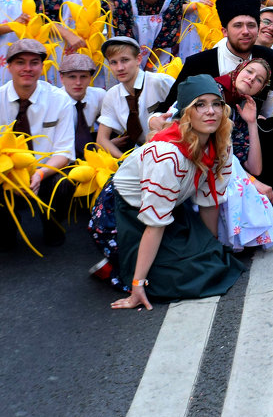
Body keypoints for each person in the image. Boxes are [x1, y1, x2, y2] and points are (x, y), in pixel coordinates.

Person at [91, 75, 246, 308]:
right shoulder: (166, 155)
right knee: (174, 278)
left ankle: (128, 260)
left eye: (216, 104)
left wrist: (209, 245)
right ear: (186, 113)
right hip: (125, 212)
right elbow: (155, 223)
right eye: (200, 105)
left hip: (170, 205)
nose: (211, 111)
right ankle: (118, 264)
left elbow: (209, 201)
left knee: (212, 261)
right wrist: (137, 285)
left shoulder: (221, 141)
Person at [0, 39, 76, 253]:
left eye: (34, 62)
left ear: (42, 67)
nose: (27, 68)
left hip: (45, 172)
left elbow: (64, 151)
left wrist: (40, 174)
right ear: (8, 66)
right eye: (20, 62)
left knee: (65, 180)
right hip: (3, 174)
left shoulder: (59, 100)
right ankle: (4, 232)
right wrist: (9, 177)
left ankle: (52, 225)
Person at [156, 0, 273, 116]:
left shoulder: (269, 57)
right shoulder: (199, 62)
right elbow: (170, 106)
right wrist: (156, 118)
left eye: (251, 25)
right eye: (238, 25)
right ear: (224, 31)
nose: (246, 31)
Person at [213, 58, 273, 247]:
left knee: (249, 186)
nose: (251, 79)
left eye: (259, 80)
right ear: (239, 70)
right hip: (201, 161)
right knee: (245, 187)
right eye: (249, 72)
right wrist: (252, 181)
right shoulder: (215, 92)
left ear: (260, 89)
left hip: (222, 167)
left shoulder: (242, 106)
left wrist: (252, 122)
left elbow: (255, 167)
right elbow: (212, 151)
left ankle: (237, 239)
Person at [96, 36, 175, 156]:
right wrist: (124, 161)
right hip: (139, 153)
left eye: (125, 60)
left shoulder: (160, 81)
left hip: (171, 148)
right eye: (113, 62)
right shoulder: (112, 95)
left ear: (138, 59)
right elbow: (101, 140)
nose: (120, 68)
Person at [58, 51, 106, 162]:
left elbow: (111, 123)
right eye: (72, 77)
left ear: (90, 78)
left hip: (91, 153)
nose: (78, 82)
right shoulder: (55, 100)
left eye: (83, 76)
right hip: (61, 155)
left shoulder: (99, 95)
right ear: (62, 78)